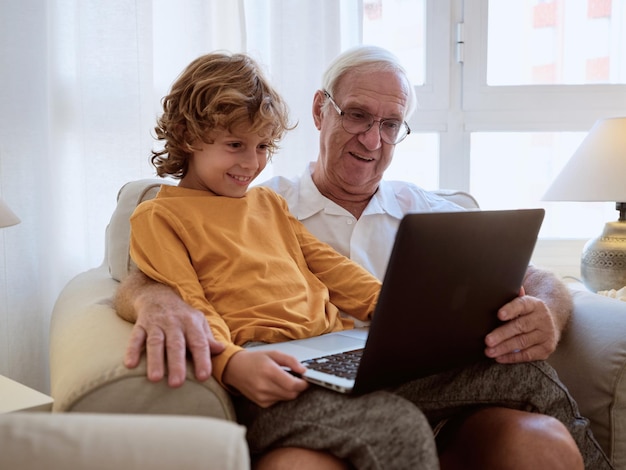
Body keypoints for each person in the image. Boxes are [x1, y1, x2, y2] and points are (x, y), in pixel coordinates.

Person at [117, 47, 611, 470]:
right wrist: (229, 363)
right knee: (394, 427)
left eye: (263, 146)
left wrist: (403, 318)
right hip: (278, 375)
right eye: (235, 145)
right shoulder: (167, 214)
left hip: (351, 363)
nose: (251, 162)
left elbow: (335, 273)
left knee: (524, 374)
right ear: (321, 110)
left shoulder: (269, 205)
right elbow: (178, 296)